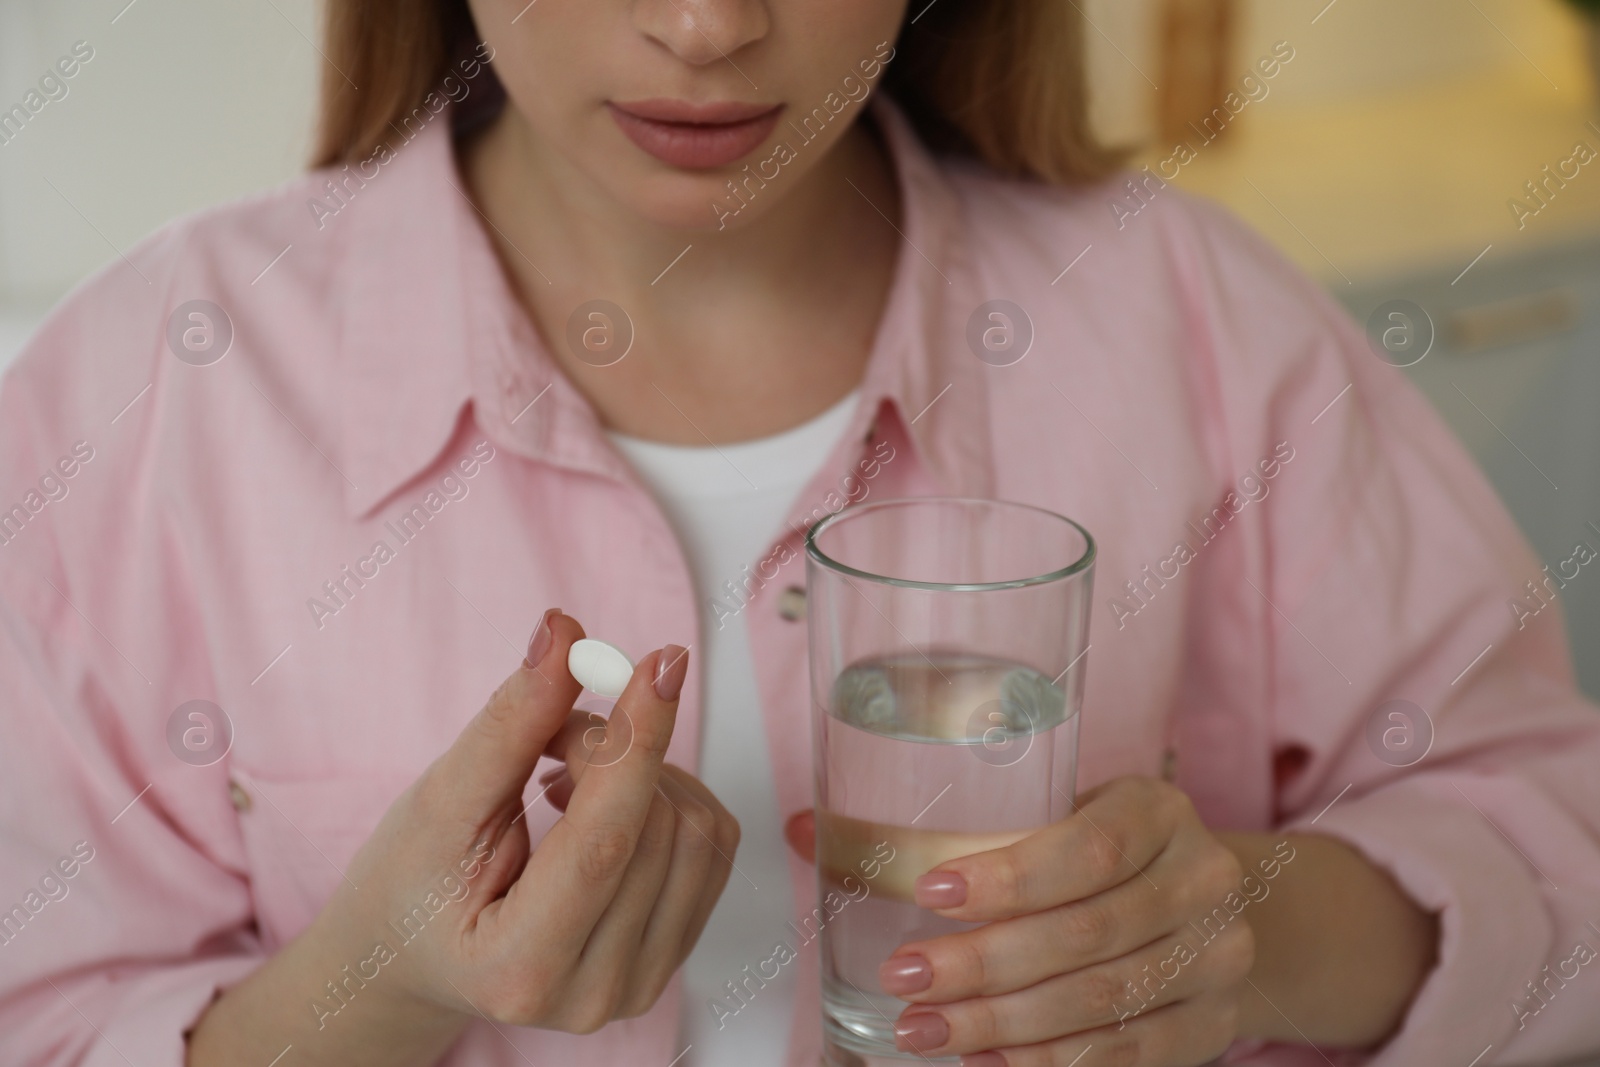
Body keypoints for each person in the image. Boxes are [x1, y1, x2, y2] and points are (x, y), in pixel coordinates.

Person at [1, 1, 1597, 1065]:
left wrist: (1244, 930)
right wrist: (374, 981)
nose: (706, 26)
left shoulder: (1193, 324)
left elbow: (1562, 860)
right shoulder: (147, 386)